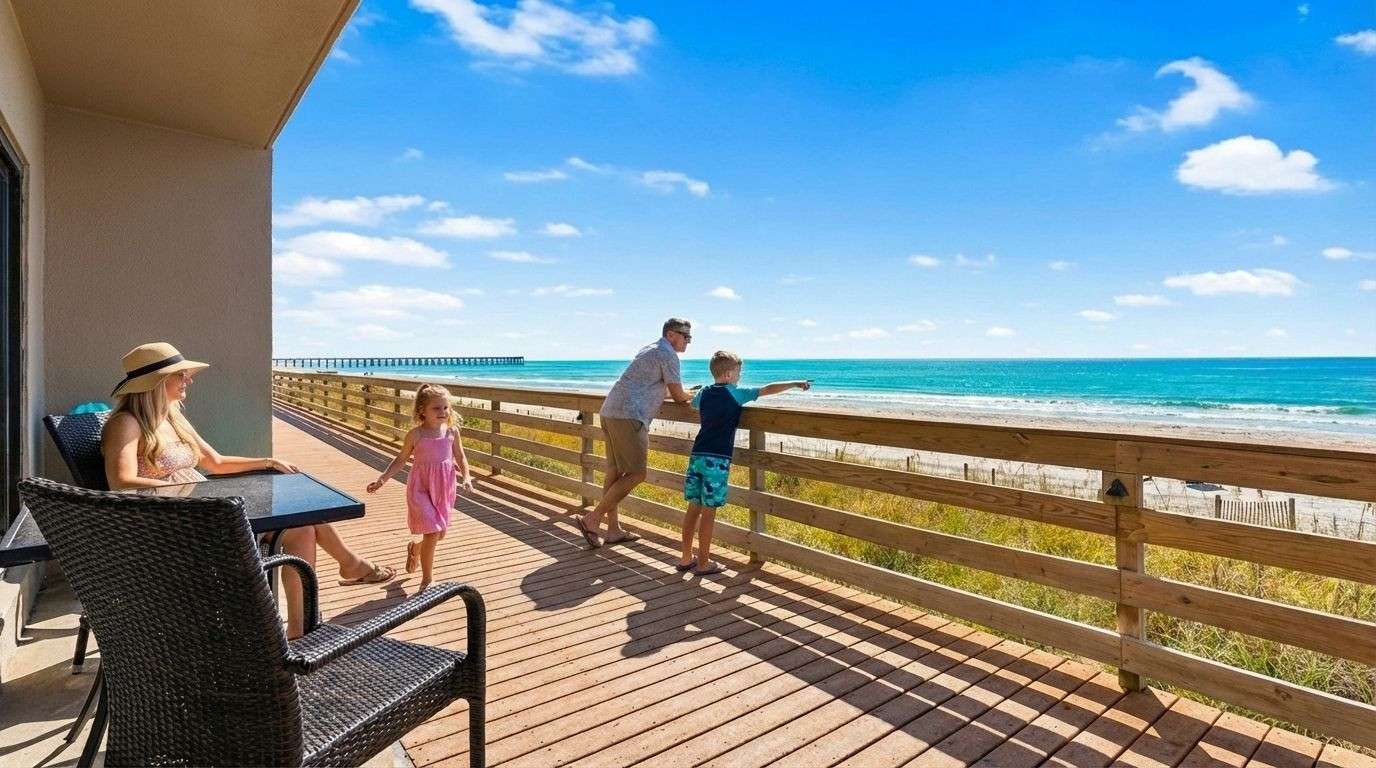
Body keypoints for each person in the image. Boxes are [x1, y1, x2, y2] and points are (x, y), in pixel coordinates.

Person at [102, 342, 395, 638]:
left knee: (303, 529)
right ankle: (349, 565)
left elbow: (215, 463)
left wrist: (269, 461)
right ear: (157, 382)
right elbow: (121, 481)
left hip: (205, 508)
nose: (188, 379)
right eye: (181, 374)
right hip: (174, 523)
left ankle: (300, 629)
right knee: (302, 521)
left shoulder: (173, 418)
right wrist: (192, 494)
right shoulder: (126, 423)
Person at [679, 350, 810, 575]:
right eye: (739, 372)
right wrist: (795, 383)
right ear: (729, 374)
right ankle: (703, 563)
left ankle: (685, 558)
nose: (740, 377)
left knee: (693, 508)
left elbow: (693, 404)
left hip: (698, 455)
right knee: (709, 512)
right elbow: (767, 389)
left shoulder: (704, 392)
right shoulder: (736, 393)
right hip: (717, 459)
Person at [575, 318, 694, 548]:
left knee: (615, 470)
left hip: (610, 411)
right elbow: (679, 396)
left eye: (690, 337)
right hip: (629, 416)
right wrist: (692, 394)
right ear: (671, 335)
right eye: (685, 336)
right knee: (637, 474)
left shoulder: (650, 349)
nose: (688, 341)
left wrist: (678, 393)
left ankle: (612, 530)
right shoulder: (668, 354)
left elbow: (650, 387)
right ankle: (592, 519)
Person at [367, 383, 473, 592]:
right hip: (420, 488)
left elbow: (460, 457)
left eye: (445, 407)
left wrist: (467, 477)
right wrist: (382, 479)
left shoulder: (452, 432)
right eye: (436, 408)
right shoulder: (416, 435)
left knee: (439, 534)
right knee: (432, 533)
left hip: (443, 489)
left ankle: (416, 548)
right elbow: (400, 459)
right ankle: (427, 580)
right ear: (422, 410)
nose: (443, 412)